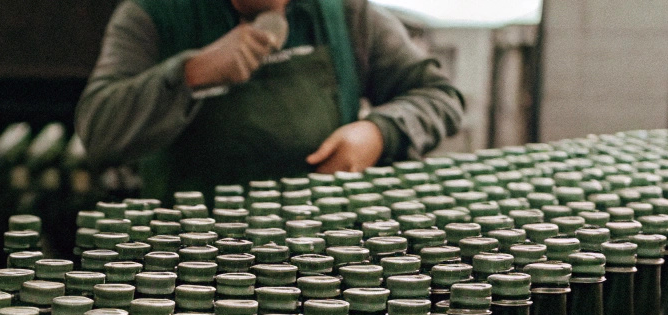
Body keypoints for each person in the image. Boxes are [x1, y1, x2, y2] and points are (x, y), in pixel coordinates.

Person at [75, 0, 465, 197]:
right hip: (188, 257)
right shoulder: (152, 16)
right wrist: (190, 73)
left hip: (318, 250)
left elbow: (439, 95)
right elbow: (98, 129)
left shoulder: (345, 14)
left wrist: (378, 133)